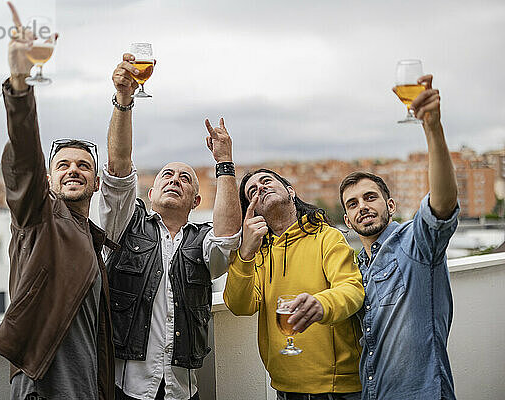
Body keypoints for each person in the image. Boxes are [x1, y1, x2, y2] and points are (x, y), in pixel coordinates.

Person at [0, 3, 115, 399]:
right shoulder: (39, 218)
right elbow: (24, 158)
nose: (73, 170)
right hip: (44, 388)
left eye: (83, 166)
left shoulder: (91, 238)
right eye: (63, 165)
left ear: (95, 184)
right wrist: (20, 86)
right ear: (48, 179)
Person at [100, 53, 242, 400]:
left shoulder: (202, 241)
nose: (174, 180)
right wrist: (123, 101)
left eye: (185, 178)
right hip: (126, 388)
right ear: (150, 193)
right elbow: (118, 169)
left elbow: (227, 238)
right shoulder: (125, 227)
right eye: (167, 174)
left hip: (182, 390)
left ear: (196, 200)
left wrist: (224, 162)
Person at [339, 74, 458, 400]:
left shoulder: (415, 243)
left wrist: (432, 128)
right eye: (353, 204)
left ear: (390, 205)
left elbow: (443, 203)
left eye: (370, 197)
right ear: (347, 221)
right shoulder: (355, 269)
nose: (363, 206)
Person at [224, 168, 364, 400]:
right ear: (254, 210)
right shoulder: (256, 254)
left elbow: (352, 290)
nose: (260, 188)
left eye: (266, 181)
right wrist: (245, 254)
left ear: (290, 190)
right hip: (285, 388)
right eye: (252, 191)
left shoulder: (327, 237)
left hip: (337, 389)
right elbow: (241, 306)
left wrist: (322, 304)